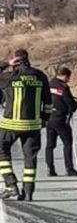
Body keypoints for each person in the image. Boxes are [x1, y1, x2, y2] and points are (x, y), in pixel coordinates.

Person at [0, 49, 52, 201]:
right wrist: (44, 119)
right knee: (30, 159)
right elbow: (48, 101)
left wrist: (5, 64)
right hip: (33, 125)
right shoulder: (40, 76)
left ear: (15, 61)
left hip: (11, 124)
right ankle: (28, 192)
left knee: (1, 151)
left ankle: (11, 185)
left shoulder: (9, 77)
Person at [46, 67, 77, 177]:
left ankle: (50, 168)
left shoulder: (48, 85)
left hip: (49, 118)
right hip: (61, 119)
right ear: (65, 76)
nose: (68, 80)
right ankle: (69, 168)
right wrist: (75, 103)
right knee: (67, 144)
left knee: (50, 145)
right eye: (68, 78)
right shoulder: (63, 88)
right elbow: (70, 104)